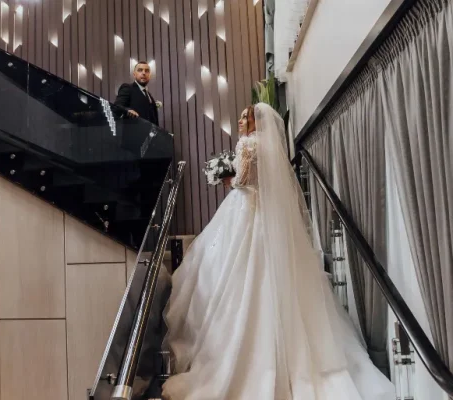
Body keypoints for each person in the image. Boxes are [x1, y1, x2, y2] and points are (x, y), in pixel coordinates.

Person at [162, 103, 396, 400]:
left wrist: (226, 178)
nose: (241, 121)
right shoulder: (269, 146)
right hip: (267, 215)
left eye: (245, 117)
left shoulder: (247, 144)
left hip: (246, 210)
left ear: (255, 122)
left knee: (237, 269)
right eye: (241, 117)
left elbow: (243, 181)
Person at [114, 61, 159, 126]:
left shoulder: (149, 95)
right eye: (140, 70)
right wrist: (128, 110)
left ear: (150, 75)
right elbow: (117, 107)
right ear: (134, 74)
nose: (144, 73)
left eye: (147, 71)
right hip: (134, 131)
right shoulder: (127, 88)